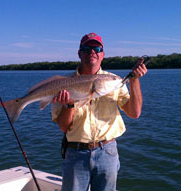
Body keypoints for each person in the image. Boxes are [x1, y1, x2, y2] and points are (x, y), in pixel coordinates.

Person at [51, 32, 147, 191]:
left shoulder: (113, 80)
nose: (92, 52)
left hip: (107, 153)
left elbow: (134, 113)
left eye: (96, 48)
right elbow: (63, 127)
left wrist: (134, 81)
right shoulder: (64, 84)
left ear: (102, 54)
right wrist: (69, 105)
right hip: (75, 153)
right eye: (87, 49)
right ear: (79, 53)